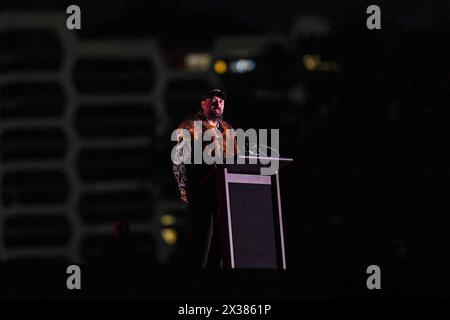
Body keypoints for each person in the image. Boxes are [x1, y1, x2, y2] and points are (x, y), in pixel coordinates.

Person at [172, 88, 237, 273]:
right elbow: (179, 160)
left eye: (221, 101)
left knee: (222, 244)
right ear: (203, 104)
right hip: (201, 191)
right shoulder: (190, 125)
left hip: (223, 193)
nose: (217, 103)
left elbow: (236, 158)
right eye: (212, 100)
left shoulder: (227, 128)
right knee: (202, 245)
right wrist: (183, 189)